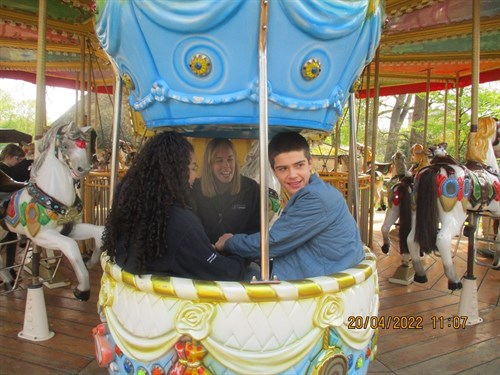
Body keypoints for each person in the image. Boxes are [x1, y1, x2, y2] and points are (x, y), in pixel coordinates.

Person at [215, 132, 365, 280]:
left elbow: (272, 243)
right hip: (321, 270)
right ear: (274, 172)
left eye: (299, 165)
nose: (292, 175)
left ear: (310, 163)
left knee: (226, 278)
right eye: (283, 169)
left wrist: (229, 243)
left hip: (321, 283)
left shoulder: (315, 199)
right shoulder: (314, 191)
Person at [101, 131, 248, 281]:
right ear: (177, 171)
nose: (195, 176)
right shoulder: (181, 223)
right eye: (193, 168)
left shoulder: (136, 212)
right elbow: (222, 271)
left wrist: (202, 248)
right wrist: (239, 253)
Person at [191, 138, 260, 243]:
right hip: (206, 253)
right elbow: (192, 230)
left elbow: (257, 231)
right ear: (209, 165)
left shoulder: (250, 188)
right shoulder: (195, 189)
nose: (226, 166)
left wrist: (235, 244)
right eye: (219, 161)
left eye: (230, 159)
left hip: (240, 253)